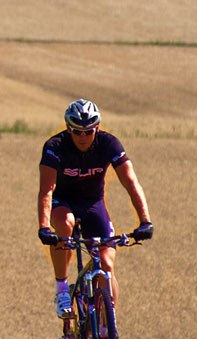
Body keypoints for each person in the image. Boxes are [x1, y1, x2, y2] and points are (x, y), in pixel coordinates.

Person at [37, 99, 154, 319]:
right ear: (67, 128)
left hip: (93, 204)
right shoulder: (55, 147)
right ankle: (62, 288)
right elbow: (47, 190)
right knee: (65, 223)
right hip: (63, 202)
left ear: (97, 128)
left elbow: (130, 182)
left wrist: (145, 221)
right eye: (76, 131)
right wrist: (44, 227)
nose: (82, 137)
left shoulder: (109, 144)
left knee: (107, 265)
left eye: (88, 131)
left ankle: (108, 333)